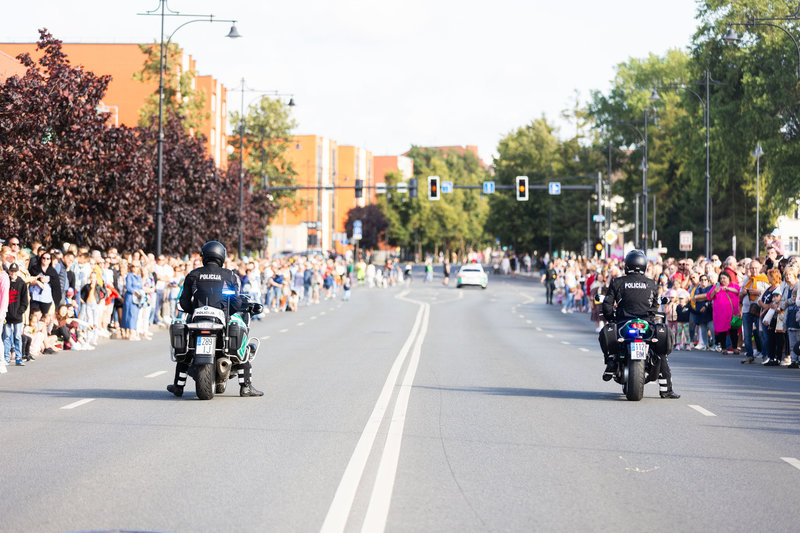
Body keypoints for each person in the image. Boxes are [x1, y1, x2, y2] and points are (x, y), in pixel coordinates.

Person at [169, 241, 263, 398]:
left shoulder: (193, 274)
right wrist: (229, 312)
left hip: (197, 318)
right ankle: (246, 386)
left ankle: (178, 386)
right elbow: (237, 302)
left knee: (187, 351)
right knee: (241, 347)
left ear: (204, 256)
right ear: (222, 256)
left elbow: (184, 301)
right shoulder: (230, 275)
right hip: (220, 320)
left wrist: (193, 311)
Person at [600, 249, 680, 399]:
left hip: (624, 323)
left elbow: (607, 306)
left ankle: (611, 361)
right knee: (660, 353)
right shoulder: (651, 284)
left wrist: (611, 318)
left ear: (627, 265)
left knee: (606, 334)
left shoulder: (617, 282)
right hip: (646, 324)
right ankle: (666, 390)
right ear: (643, 265)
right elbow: (655, 306)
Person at [3, 263, 29, 365]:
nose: (13, 273)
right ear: (9, 271)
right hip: (7, 314)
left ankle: (19, 357)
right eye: (11, 271)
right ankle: (6, 357)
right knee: (7, 336)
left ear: (18, 272)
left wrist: (20, 311)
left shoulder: (21, 284)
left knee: (17, 336)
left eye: (15, 271)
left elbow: (24, 301)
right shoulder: (6, 282)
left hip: (17, 315)